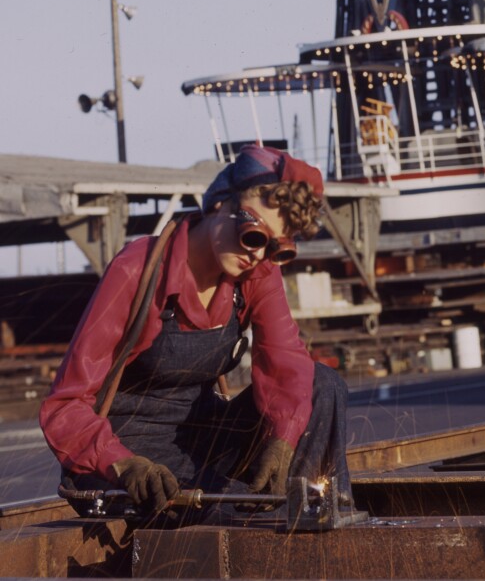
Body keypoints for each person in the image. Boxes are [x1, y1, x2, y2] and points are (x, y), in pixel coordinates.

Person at [40, 145, 351, 524]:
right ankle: (274, 521)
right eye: (253, 235)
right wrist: (121, 463)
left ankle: (309, 515)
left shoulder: (256, 274)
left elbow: (288, 364)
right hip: (129, 459)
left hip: (200, 440)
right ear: (221, 204)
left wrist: (282, 442)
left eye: (275, 248)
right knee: (241, 521)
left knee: (324, 385)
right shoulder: (137, 271)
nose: (256, 256)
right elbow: (65, 406)